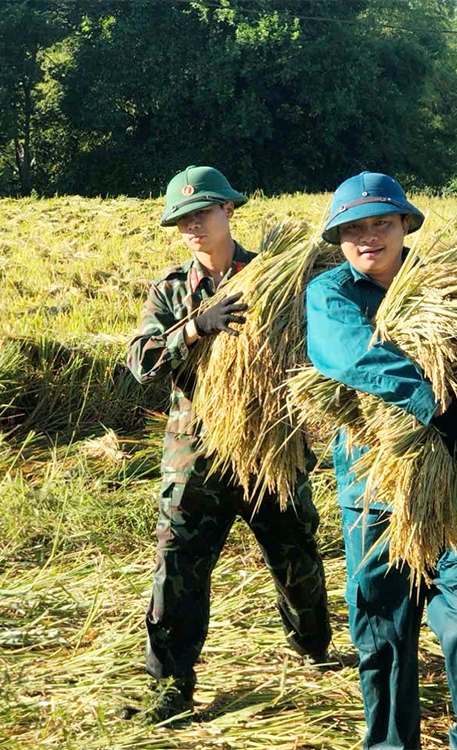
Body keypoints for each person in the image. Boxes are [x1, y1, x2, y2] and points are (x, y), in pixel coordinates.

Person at [305, 171, 457, 750]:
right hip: (372, 489)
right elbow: (349, 354)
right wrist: (439, 407)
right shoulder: (331, 293)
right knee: (382, 631)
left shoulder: (449, 282)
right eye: (355, 228)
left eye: (382, 223)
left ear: (404, 226)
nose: (370, 237)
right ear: (339, 239)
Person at [124, 165, 333, 723]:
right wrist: (194, 326)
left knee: (298, 561)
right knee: (178, 568)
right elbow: (140, 362)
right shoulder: (171, 290)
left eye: (203, 213)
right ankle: (169, 687)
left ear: (229, 212)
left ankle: (314, 645)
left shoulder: (277, 276)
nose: (193, 225)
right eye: (183, 218)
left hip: (271, 448)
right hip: (197, 458)